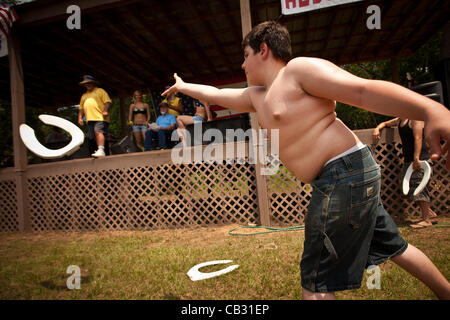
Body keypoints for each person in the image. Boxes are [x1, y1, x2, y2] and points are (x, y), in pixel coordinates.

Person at [162, 21, 450, 300]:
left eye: (245, 56)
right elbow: (216, 94)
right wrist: (185, 86)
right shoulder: (258, 96)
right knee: (395, 247)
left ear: (263, 49)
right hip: (349, 176)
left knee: (315, 281)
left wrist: (430, 109)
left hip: (342, 174)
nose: (242, 65)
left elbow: (361, 91)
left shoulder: (298, 71)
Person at [373, 118, 438, 228]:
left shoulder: (416, 119)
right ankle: (429, 213)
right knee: (408, 189)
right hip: (409, 160)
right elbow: (385, 123)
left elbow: (418, 138)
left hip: (420, 159)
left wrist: (416, 159)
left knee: (419, 188)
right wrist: (377, 128)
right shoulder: (400, 119)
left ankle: (426, 220)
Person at [77, 75, 112, 157]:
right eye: (86, 84)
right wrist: (80, 117)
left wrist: (105, 110)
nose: (87, 85)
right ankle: (98, 151)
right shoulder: (84, 95)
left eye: (89, 83)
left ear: (93, 83)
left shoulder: (100, 91)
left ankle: (101, 150)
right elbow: (81, 108)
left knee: (98, 131)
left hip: (100, 117)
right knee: (92, 137)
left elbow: (107, 101)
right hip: (89, 119)